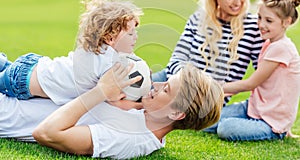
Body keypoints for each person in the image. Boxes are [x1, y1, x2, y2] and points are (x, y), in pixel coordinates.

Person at [0, 63, 224, 159]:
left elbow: (47, 132)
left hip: (8, 108)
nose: (156, 86)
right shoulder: (145, 113)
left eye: (166, 90)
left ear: (176, 114)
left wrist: (101, 92)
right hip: (20, 78)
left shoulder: (130, 140)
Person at [0, 0, 146, 105]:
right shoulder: (107, 64)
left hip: (32, 67)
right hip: (22, 82)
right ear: (110, 38)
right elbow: (111, 97)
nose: (136, 37)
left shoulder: (97, 48)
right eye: (131, 33)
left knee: (5, 65)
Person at [152, 0, 264, 105]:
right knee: (131, 90)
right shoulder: (198, 19)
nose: (238, 2)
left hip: (207, 102)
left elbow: (264, 73)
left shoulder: (253, 27)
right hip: (174, 82)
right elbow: (177, 59)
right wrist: (186, 83)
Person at [206, 0, 300, 141]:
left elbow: (251, 84)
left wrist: (215, 88)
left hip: (269, 121)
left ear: (286, 22)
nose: (261, 25)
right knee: (206, 120)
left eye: (268, 21)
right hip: (253, 108)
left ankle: (276, 133)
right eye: (259, 18)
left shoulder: (281, 48)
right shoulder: (270, 43)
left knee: (225, 128)